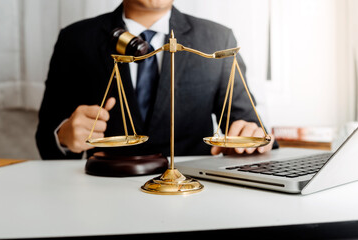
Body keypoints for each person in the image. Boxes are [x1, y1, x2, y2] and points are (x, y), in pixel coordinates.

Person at [36, 0, 277, 160]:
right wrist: (64, 137)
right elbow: (46, 134)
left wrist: (254, 139)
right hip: (106, 192)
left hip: (194, 192)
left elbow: (251, 128)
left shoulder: (217, 39)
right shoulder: (76, 39)